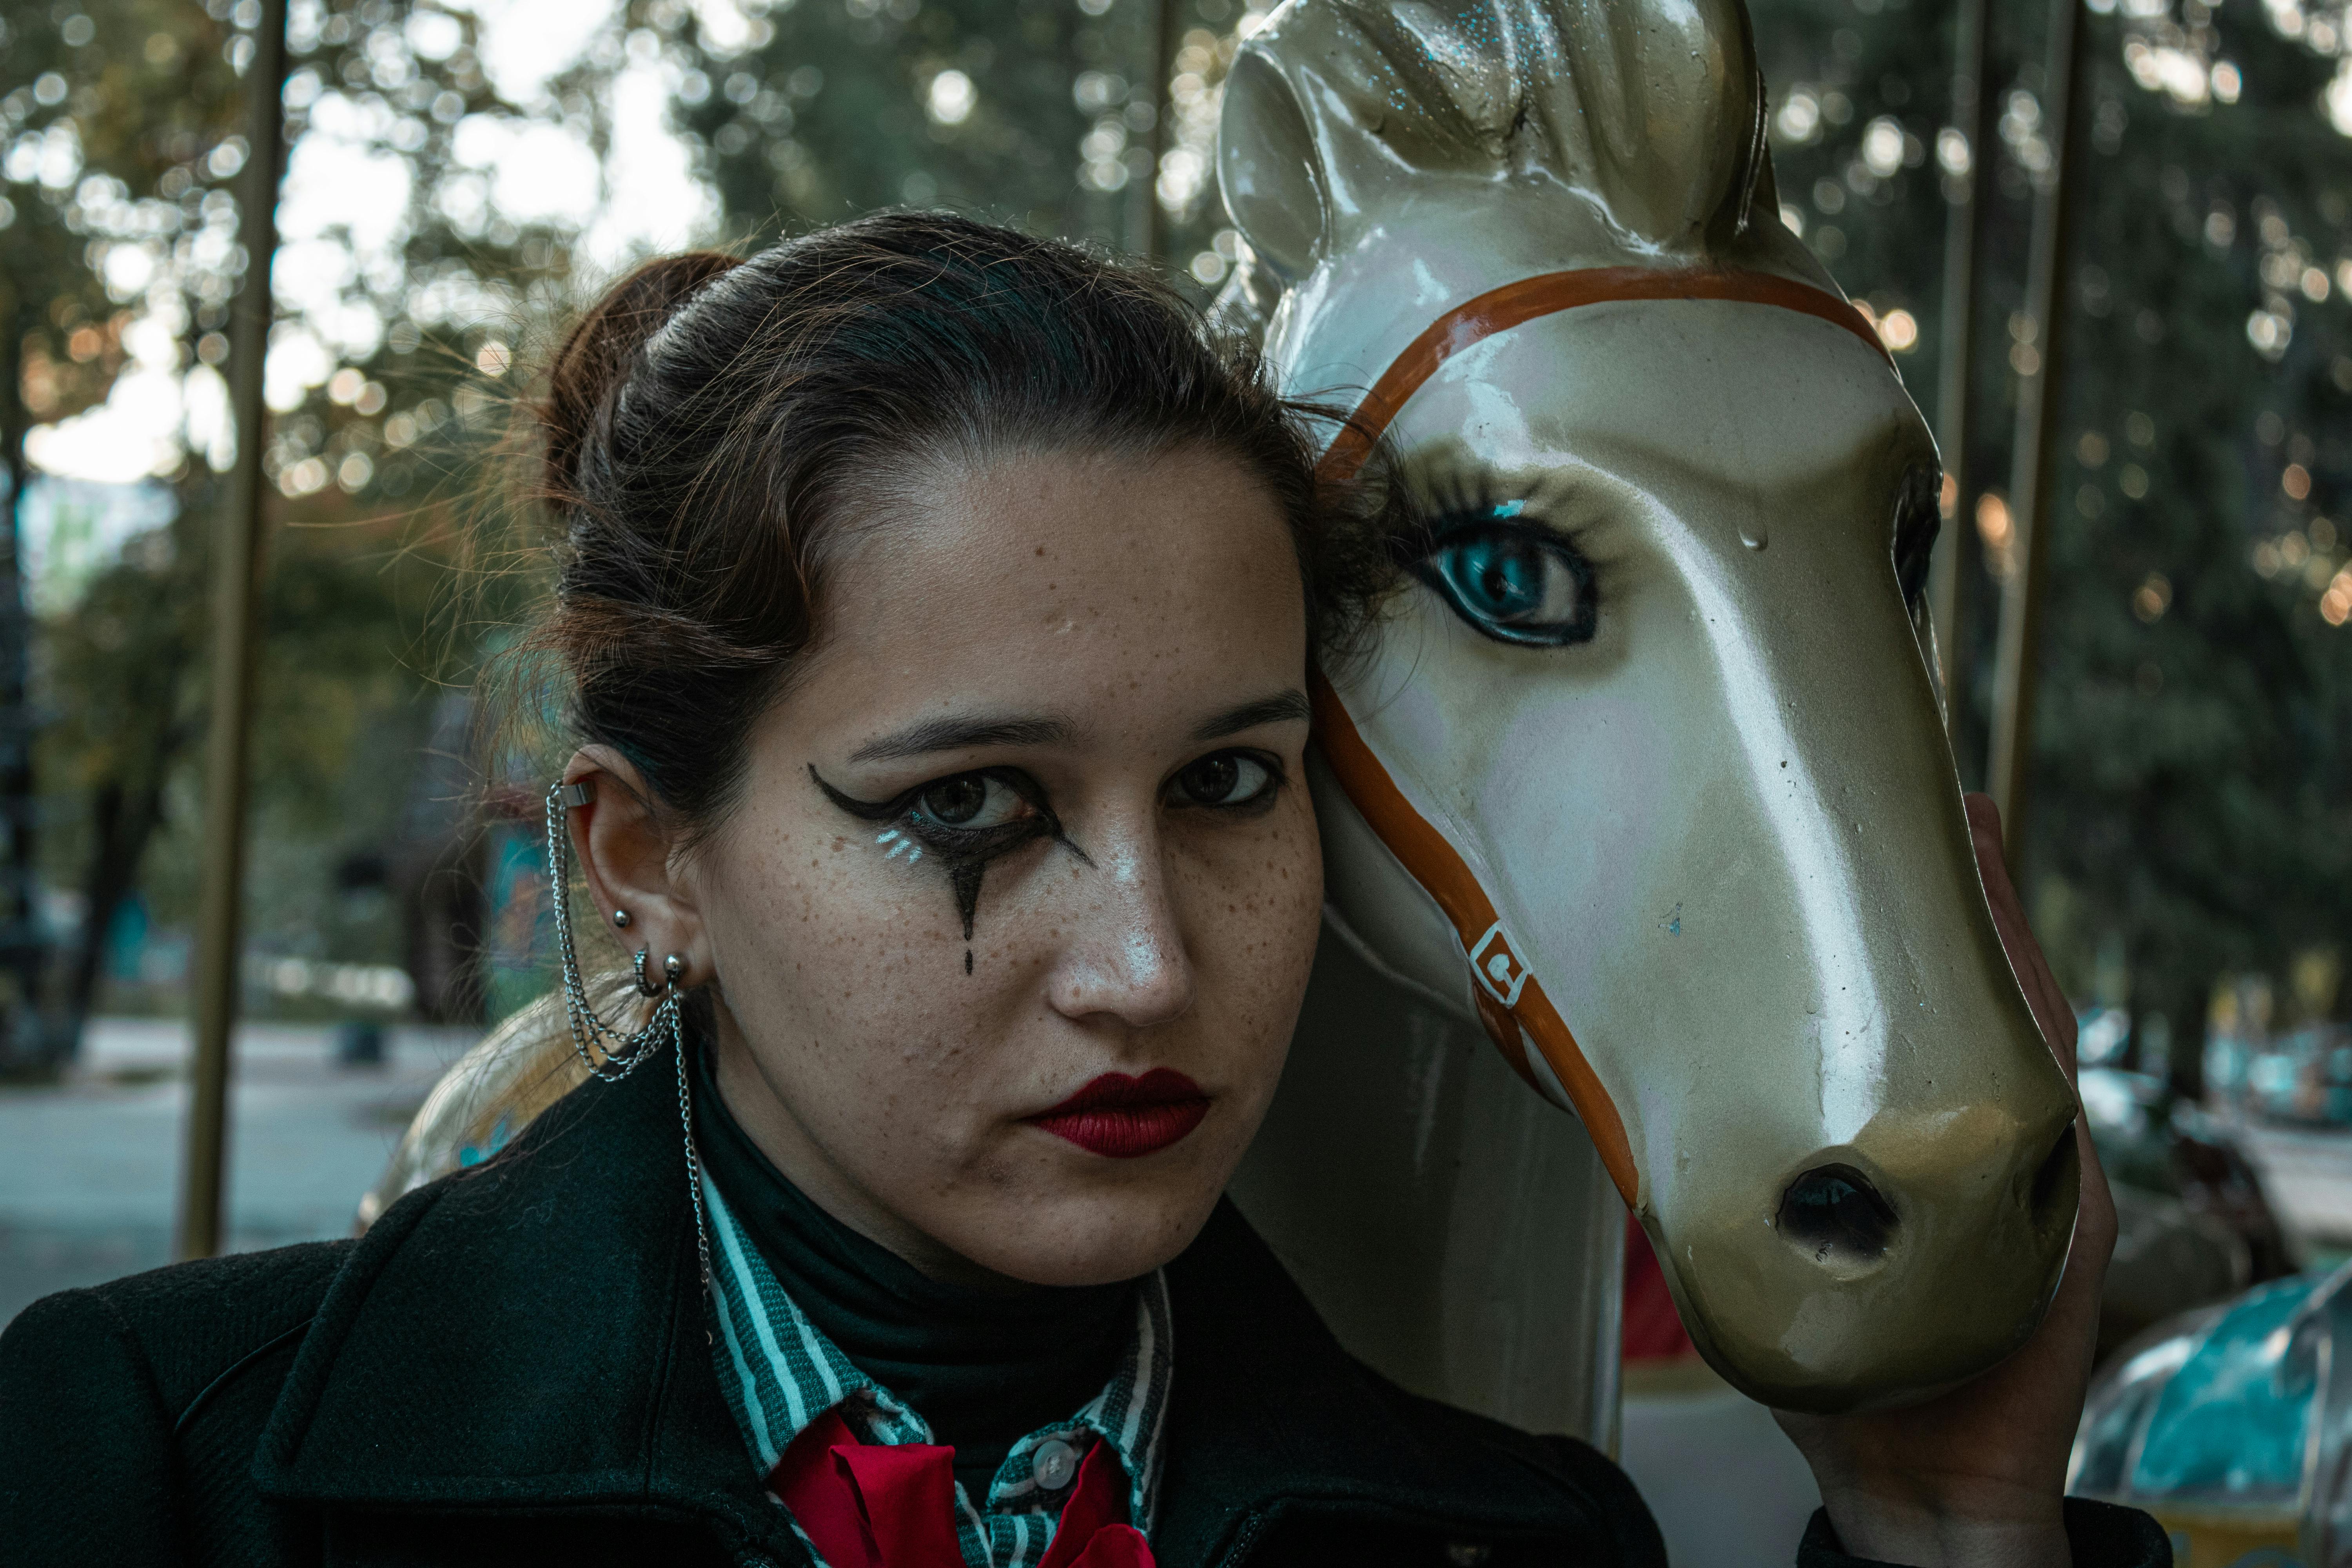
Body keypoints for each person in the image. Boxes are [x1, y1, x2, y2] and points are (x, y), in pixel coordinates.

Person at [0, 213, 2161, 1568]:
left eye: (1233, 782)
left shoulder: (1511, 1536)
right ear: (653, 859)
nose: (1150, 964)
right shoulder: (150, 1471)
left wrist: (1956, 1529)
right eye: (974, 811)